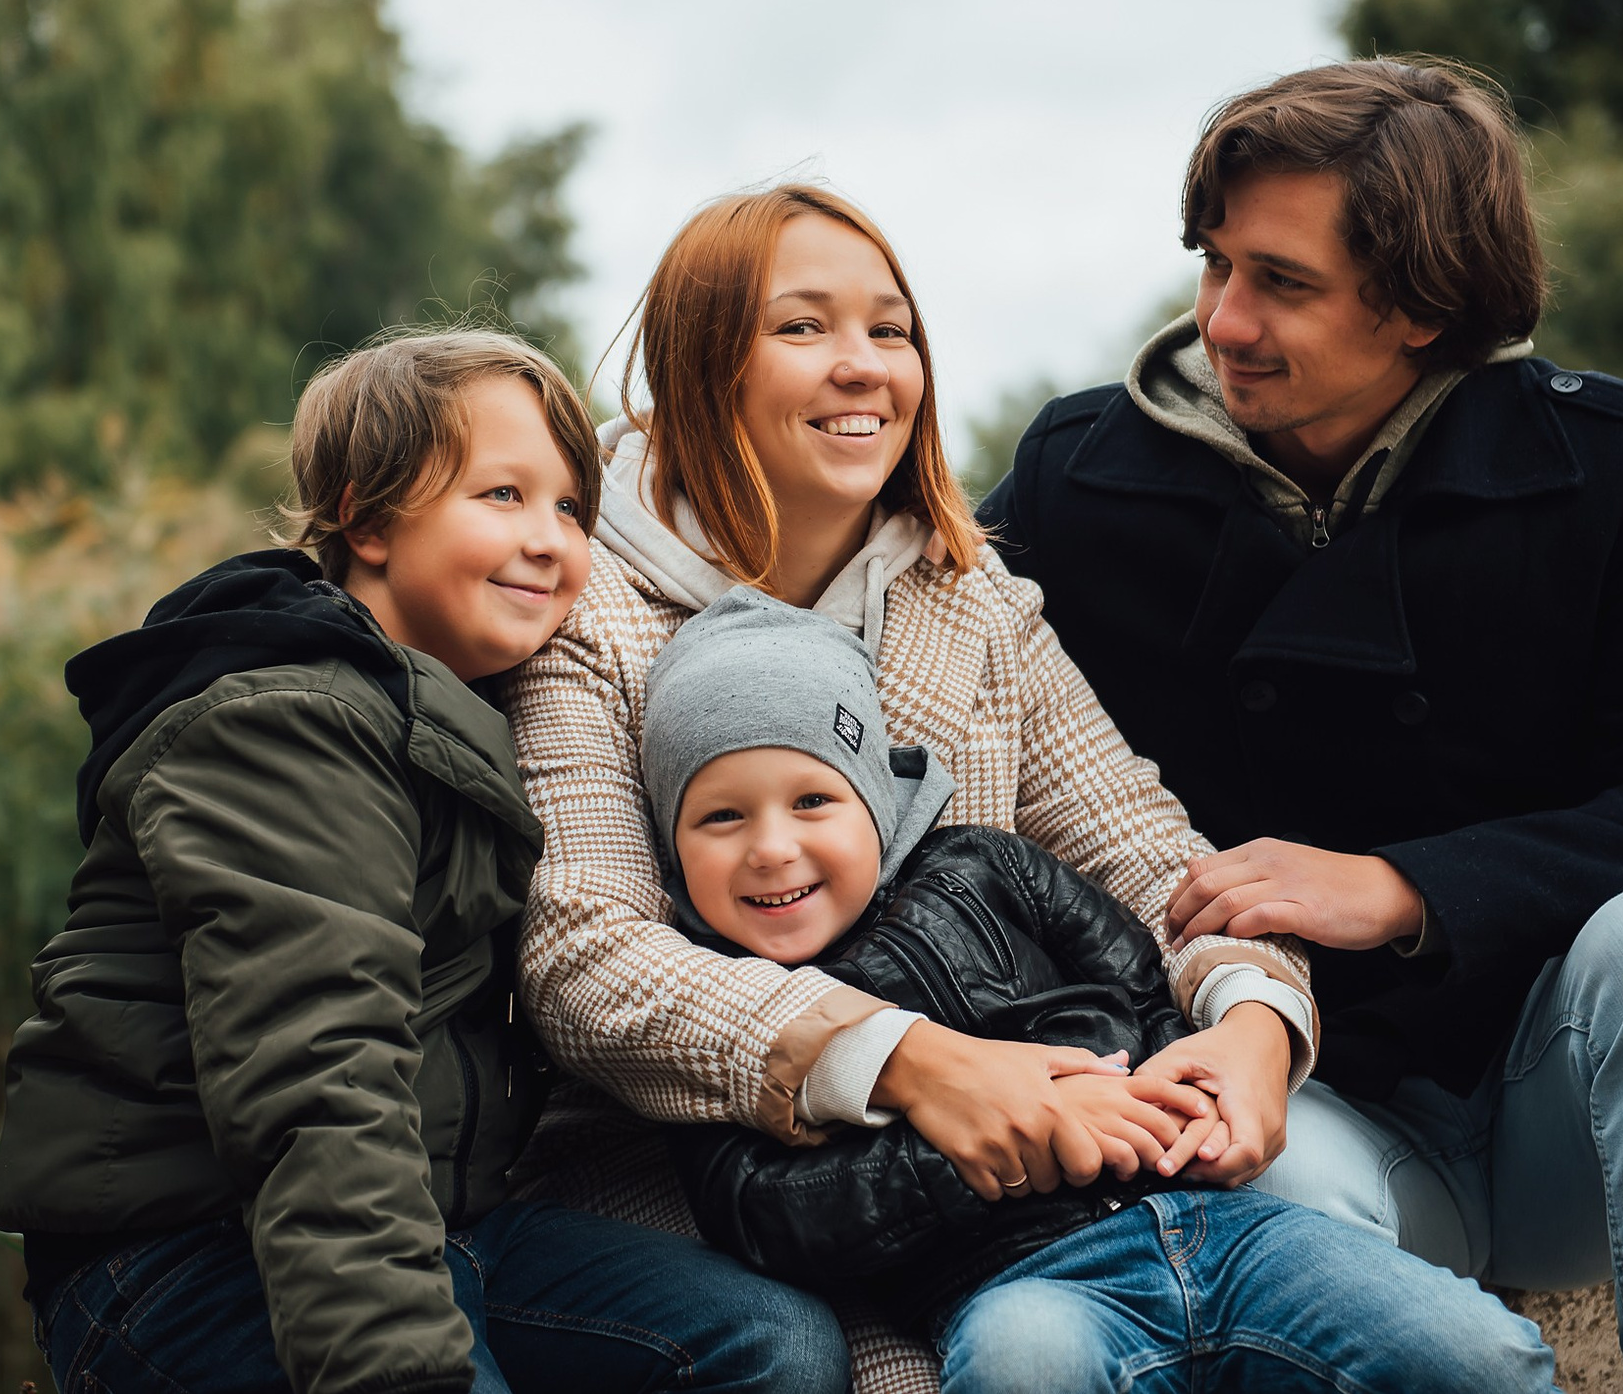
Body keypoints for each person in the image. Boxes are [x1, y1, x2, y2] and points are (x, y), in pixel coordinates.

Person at [979, 57, 1623, 1394]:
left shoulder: (1617, 467)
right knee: (1259, 1175)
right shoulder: (1082, 478)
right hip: (1301, 1115)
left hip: (1572, 1122)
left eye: (1281, 283)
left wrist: (1404, 887)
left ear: (1424, 304)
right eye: (1213, 263)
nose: (1221, 321)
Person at [503, 186, 1320, 1391]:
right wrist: (902, 1058)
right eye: (802, 328)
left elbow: (1139, 844)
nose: (863, 367)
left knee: (1314, 1238)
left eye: (890, 331)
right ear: (695, 364)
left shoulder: (971, 598)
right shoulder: (587, 618)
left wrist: (1254, 1018)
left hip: (1005, 1170)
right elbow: (586, 958)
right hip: (696, 1184)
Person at [0, 328, 850, 1394]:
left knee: (768, 1343)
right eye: (500, 494)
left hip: (443, 1220)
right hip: (188, 1246)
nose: (549, 540)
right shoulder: (287, 719)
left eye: (571, 507)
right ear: (365, 516)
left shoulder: (459, 715)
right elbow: (317, 1081)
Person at [647, 586, 1559, 1393]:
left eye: (812, 801)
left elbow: (1141, 978)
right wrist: (988, 1148)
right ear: (674, 849)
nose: (771, 846)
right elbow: (764, 1214)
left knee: (1487, 1354)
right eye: (721, 815)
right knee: (1024, 1369)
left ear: (876, 804)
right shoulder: (735, 1015)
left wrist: (1179, 1093)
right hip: (1013, 1283)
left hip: (1220, 1224)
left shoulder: (985, 869)